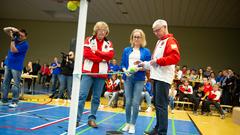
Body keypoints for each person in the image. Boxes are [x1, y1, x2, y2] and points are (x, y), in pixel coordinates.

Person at [142, 19, 180, 135]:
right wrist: (143, 64)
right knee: (157, 105)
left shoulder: (170, 40)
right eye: (154, 31)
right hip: (156, 77)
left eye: (158, 30)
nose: (156, 33)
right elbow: (154, 61)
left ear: (165, 27)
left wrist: (158, 61)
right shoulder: (159, 42)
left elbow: (175, 57)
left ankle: (162, 132)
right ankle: (158, 129)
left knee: (162, 106)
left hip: (164, 78)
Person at [77, 21, 114, 128]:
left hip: (101, 74)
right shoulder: (89, 40)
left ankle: (92, 119)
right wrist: (103, 58)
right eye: (99, 29)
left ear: (106, 32)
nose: (102, 32)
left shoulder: (109, 43)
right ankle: (77, 118)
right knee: (82, 96)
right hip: (88, 72)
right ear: (96, 30)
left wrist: (97, 52)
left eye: (104, 30)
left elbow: (110, 55)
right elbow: (86, 54)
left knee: (96, 98)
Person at [121, 29, 151, 134]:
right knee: (128, 102)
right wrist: (125, 71)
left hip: (139, 79)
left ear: (142, 39)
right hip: (128, 78)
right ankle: (127, 123)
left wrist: (139, 68)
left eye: (139, 37)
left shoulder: (146, 51)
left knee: (135, 102)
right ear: (132, 38)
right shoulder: (126, 50)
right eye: (135, 37)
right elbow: (123, 64)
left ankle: (133, 124)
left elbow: (148, 66)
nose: (137, 39)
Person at [0, 27, 29, 108]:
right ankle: (4, 100)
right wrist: (13, 29)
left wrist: (13, 39)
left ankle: (15, 101)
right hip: (8, 64)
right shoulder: (16, 38)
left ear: (25, 37)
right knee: (5, 83)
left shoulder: (25, 44)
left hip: (16, 66)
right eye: (19, 35)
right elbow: (5, 29)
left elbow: (13, 50)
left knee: (15, 84)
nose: (20, 37)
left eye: (22, 36)